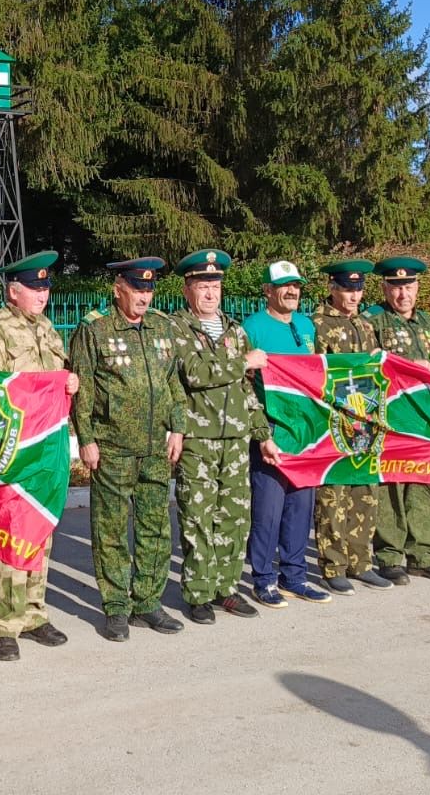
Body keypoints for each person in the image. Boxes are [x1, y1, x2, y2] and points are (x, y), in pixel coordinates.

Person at [0, 250, 78, 661]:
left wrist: (68, 384)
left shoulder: (48, 329)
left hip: (44, 449)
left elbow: (55, 379)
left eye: (45, 288)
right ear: (13, 292)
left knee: (38, 530)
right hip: (10, 449)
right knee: (5, 535)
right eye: (34, 288)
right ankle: (2, 623)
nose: (42, 295)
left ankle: (34, 612)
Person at [69, 257, 185, 641]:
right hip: (113, 447)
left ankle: (148, 602)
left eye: (149, 290)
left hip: (156, 447)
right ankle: (116, 607)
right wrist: (86, 439)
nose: (144, 297)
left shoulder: (162, 328)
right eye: (138, 289)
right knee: (111, 530)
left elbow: (174, 385)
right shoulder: (96, 329)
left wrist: (178, 429)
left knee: (155, 528)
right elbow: (82, 389)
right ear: (119, 287)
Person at [166, 249, 280, 623]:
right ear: (188, 288)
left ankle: (226, 589)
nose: (210, 293)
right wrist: (242, 362)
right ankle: (198, 593)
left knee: (234, 517)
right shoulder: (177, 327)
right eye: (202, 285)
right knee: (198, 517)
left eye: (215, 285)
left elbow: (247, 390)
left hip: (235, 438)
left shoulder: (235, 330)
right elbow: (193, 373)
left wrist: (262, 434)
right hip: (198, 438)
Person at [239, 261, 329, 608]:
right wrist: (261, 432)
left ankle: (295, 576)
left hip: (304, 433)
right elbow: (244, 386)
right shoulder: (252, 327)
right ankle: (263, 579)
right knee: (268, 510)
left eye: (296, 285)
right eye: (284, 286)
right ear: (267, 290)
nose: (292, 291)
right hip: (272, 431)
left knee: (299, 509)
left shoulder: (306, 326)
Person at [363, 257, 430, 583]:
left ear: (417, 287)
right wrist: (406, 365)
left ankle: (424, 555)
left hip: (425, 420)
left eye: (408, 286)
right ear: (385, 287)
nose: (402, 294)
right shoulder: (372, 322)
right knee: (391, 489)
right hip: (390, 419)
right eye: (395, 286)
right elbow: (365, 369)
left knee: (424, 488)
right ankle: (390, 557)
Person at [311, 259, 390, 595]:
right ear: (332, 287)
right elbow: (315, 372)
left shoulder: (366, 323)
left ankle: (362, 562)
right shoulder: (319, 323)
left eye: (358, 288)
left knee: (365, 494)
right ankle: (333, 565)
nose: (354, 294)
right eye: (347, 287)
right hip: (335, 422)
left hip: (366, 423)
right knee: (334, 496)